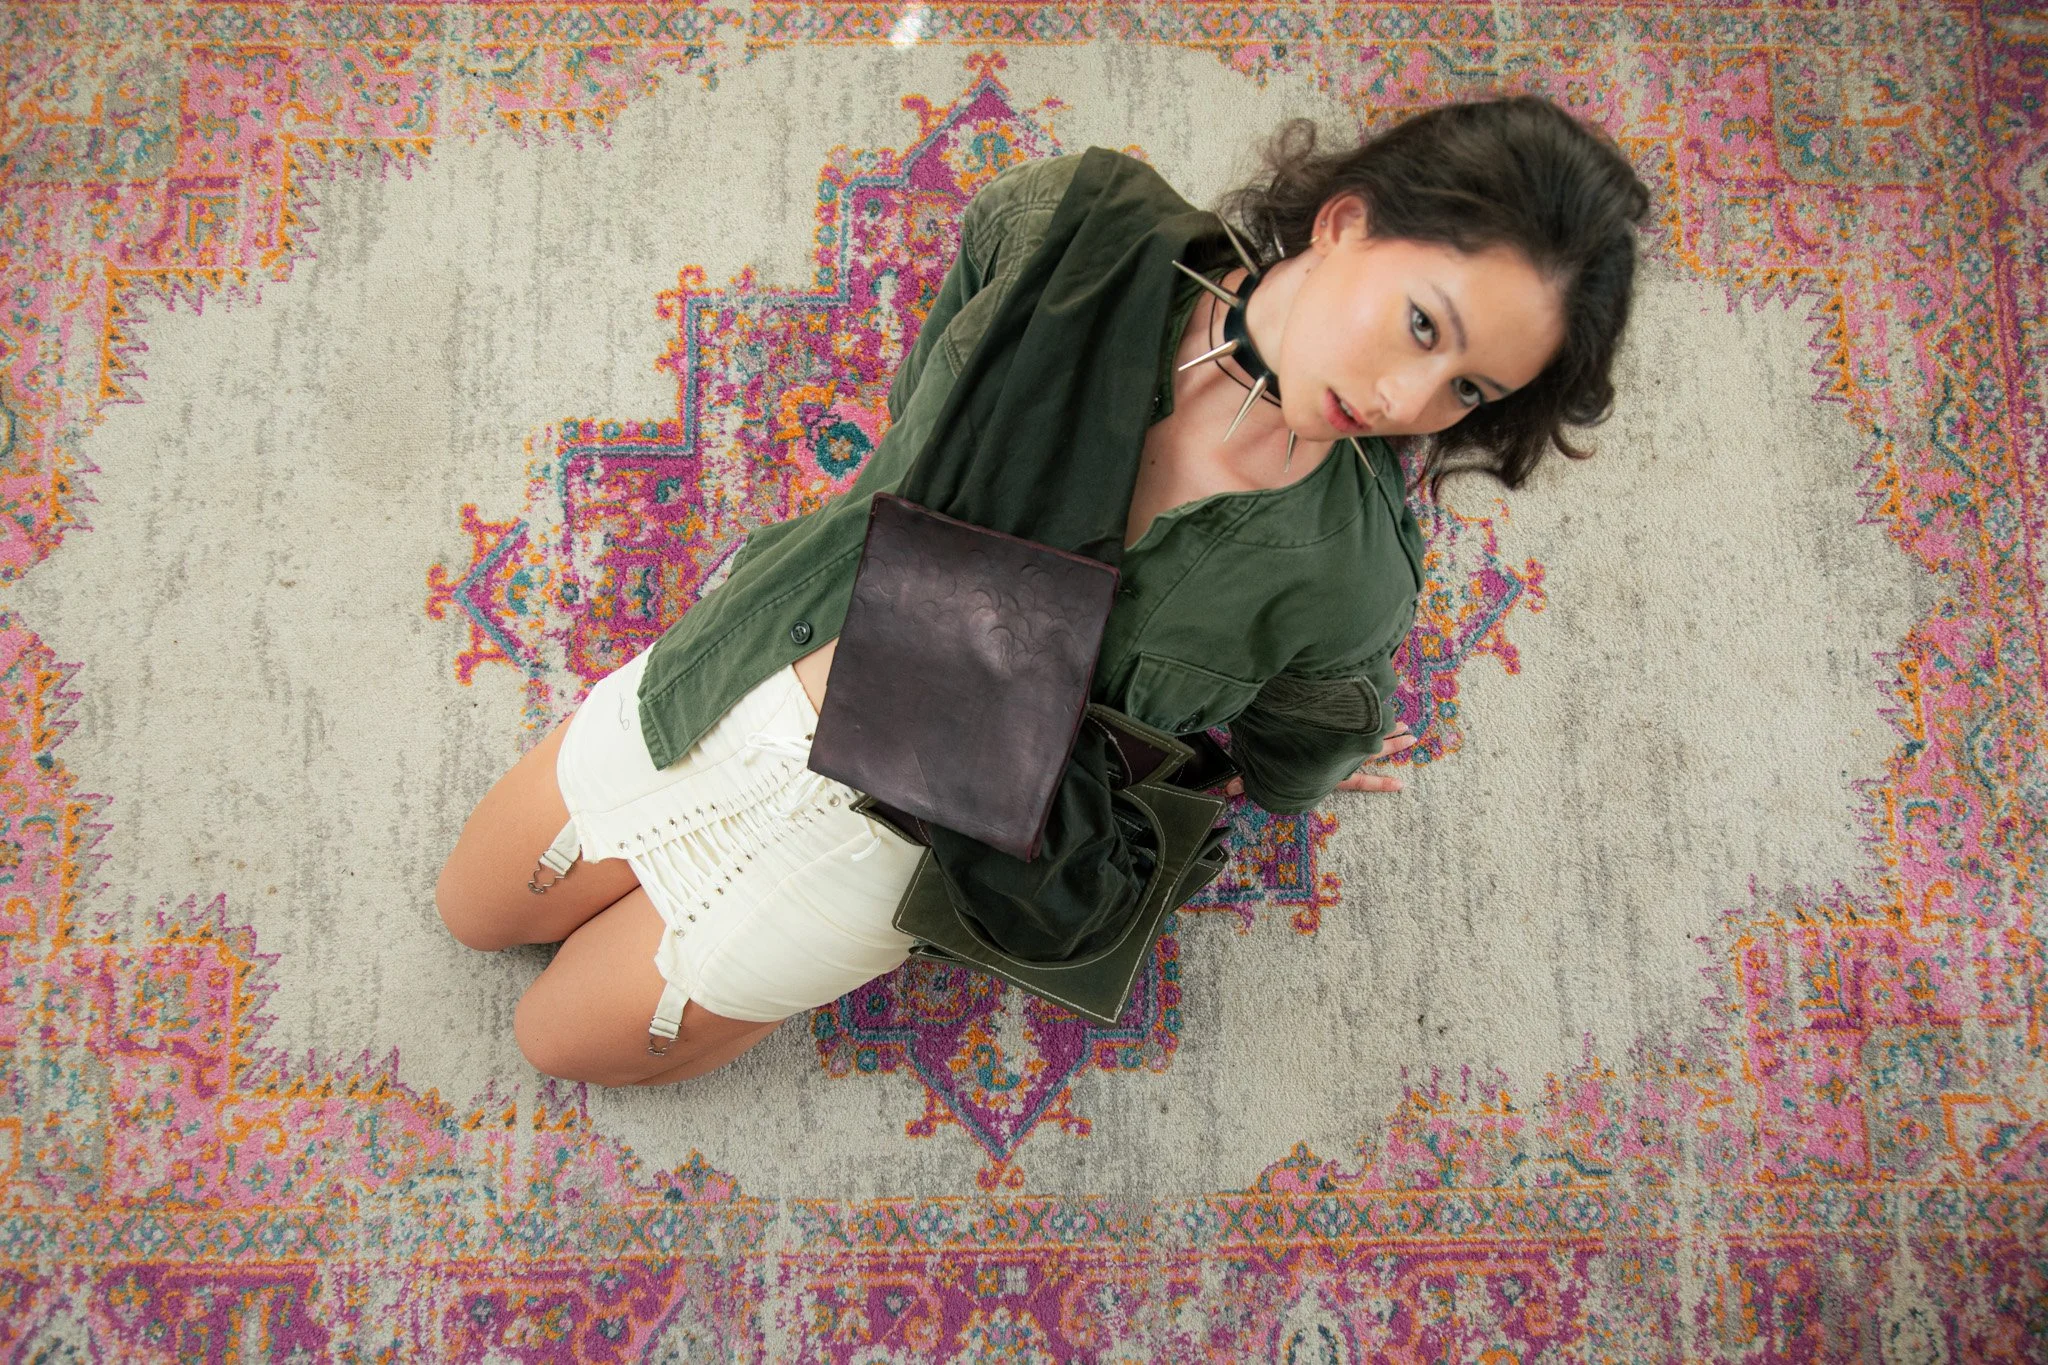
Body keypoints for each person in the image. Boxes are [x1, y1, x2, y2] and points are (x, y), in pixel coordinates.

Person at [434, 95, 1651, 1088]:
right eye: (1420, 325)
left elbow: (1306, 741)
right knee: (473, 908)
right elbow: (936, 379)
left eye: (1469, 393)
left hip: (906, 841)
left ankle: (794, 966)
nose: (1402, 400)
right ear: (1345, 223)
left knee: (561, 1044)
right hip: (763, 658)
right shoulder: (1072, 226)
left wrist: (1233, 773)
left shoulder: (1347, 576)